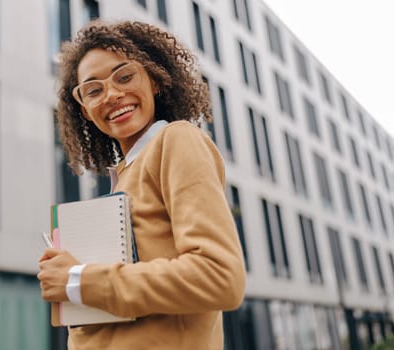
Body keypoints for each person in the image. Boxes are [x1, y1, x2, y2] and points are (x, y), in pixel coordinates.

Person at [37, 19, 246, 349]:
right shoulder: (125, 174)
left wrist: (79, 280)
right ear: (85, 111)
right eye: (94, 90)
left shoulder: (176, 140)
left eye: (125, 76)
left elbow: (219, 276)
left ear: (155, 80)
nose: (113, 95)